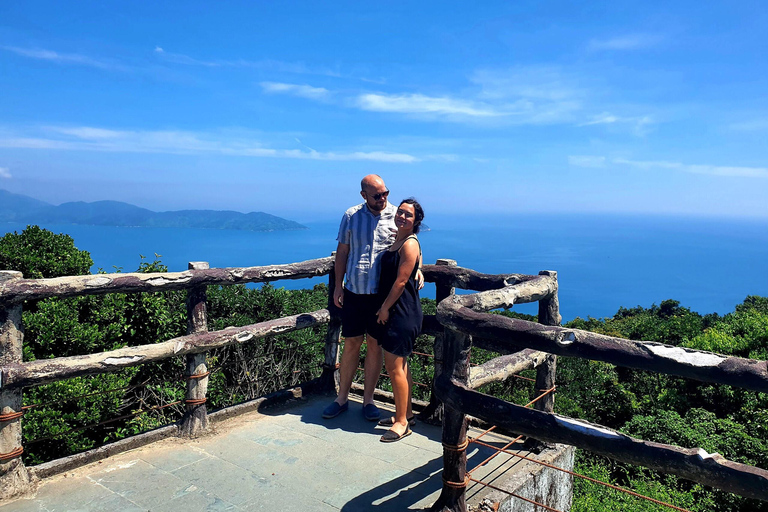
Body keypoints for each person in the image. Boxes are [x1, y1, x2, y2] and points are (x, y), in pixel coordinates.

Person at [322, 175, 399, 422]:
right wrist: (338, 287)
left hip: (380, 295)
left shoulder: (396, 215)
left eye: (385, 192)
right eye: (376, 195)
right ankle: (342, 398)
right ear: (363, 195)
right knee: (351, 343)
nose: (382, 198)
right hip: (354, 290)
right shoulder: (351, 216)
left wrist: (417, 268)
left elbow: (409, 245)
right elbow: (342, 252)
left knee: (375, 346)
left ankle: (368, 400)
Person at [373, 198, 424, 442]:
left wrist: (384, 308)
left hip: (401, 313)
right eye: (400, 213)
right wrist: (420, 268)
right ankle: (406, 414)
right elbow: (413, 265)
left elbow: (402, 281)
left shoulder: (409, 243)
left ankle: (402, 423)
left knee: (395, 369)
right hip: (397, 311)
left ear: (416, 221)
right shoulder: (401, 240)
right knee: (401, 366)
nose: (402, 217)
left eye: (408, 215)